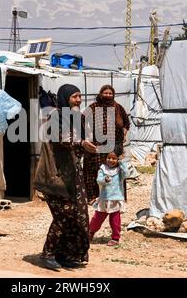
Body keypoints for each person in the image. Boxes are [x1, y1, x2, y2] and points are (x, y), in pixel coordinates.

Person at [34, 84, 97, 270]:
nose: (78, 100)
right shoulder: (55, 117)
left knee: (78, 216)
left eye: (79, 96)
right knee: (64, 215)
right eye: (74, 97)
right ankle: (48, 254)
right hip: (55, 175)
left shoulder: (78, 119)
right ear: (65, 98)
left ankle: (65, 254)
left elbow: (83, 140)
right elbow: (61, 140)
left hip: (73, 174)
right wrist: (81, 144)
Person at [83, 84, 130, 203]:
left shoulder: (118, 107)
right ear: (100, 94)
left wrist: (124, 134)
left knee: (115, 169)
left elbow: (126, 123)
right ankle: (93, 197)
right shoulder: (93, 107)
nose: (108, 95)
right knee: (94, 169)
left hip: (114, 144)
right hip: (97, 144)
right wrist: (86, 139)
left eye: (110, 93)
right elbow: (81, 121)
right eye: (105, 93)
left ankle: (115, 196)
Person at [89, 147, 132, 246]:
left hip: (115, 199)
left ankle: (115, 238)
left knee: (115, 221)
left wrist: (122, 162)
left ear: (118, 159)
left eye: (114, 158)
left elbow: (126, 174)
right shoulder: (103, 169)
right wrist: (105, 179)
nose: (111, 160)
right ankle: (90, 233)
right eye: (109, 158)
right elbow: (99, 180)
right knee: (97, 219)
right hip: (104, 198)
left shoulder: (119, 170)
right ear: (105, 158)